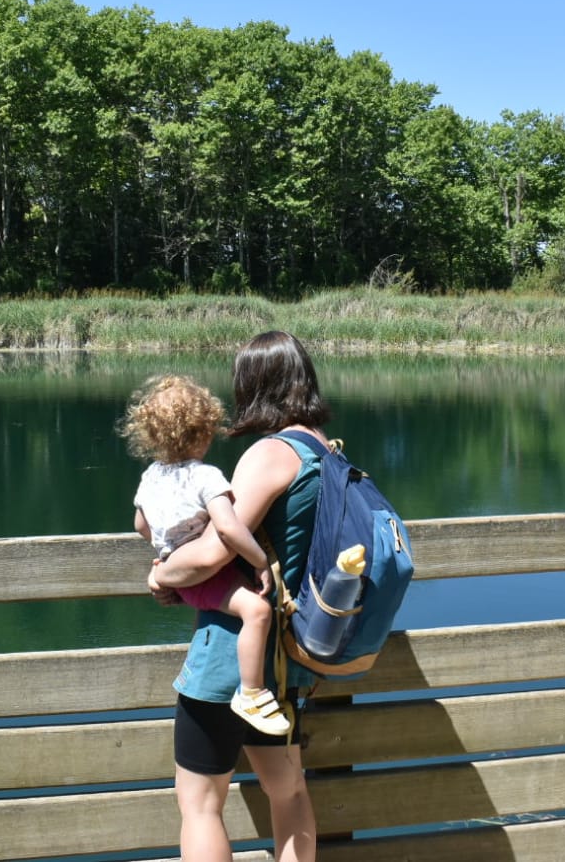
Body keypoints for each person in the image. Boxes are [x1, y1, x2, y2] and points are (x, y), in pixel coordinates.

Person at [148, 330, 327, 862]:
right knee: (288, 790)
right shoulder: (321, 449)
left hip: (227, 660)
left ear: (253, 384)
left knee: (200, 803)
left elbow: (211, 552)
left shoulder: (268, 454)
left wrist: (163, 574)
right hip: (282, 662)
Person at [121, 374, 291, 735]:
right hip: (207, 576)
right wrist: (261, 562)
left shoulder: (151, 476)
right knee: (258, 611)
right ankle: (252, 692)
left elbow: (140, 524)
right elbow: (229, 529)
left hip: (178, 572)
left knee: (246, 609)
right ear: (204, 432)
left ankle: (250, 691)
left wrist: (164, 549)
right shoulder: (207, 477)